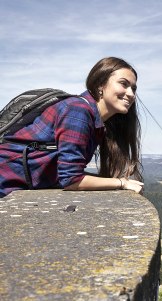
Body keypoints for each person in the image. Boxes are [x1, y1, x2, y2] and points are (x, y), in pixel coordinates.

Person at [0, 57, 144, 198]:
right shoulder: (77, 111)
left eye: (133, 88)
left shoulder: (95, 121)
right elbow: (71, 180)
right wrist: (121, 183)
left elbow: (68, 174)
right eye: (123, 84)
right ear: (101, 84)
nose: (131, 93)